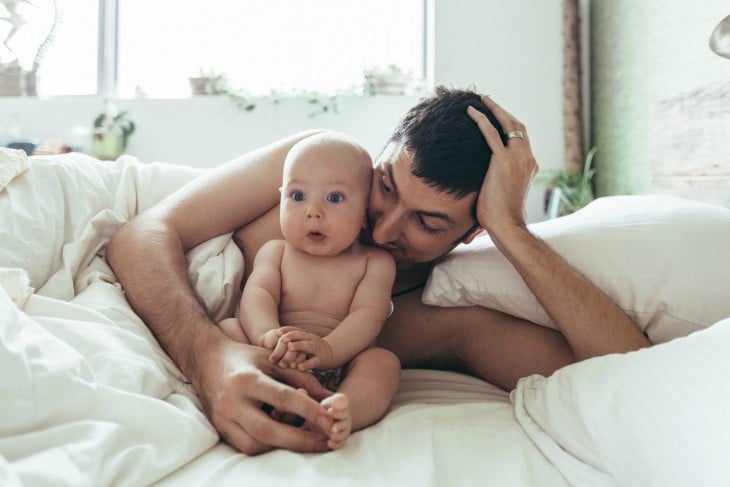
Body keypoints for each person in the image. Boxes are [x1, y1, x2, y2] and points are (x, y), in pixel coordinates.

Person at [106, 86, 651, 455]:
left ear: (472, 231)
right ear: (380, 154)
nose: (385, 229)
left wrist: (510, 227)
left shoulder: (439, 312)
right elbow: (143, 236)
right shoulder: (315, 167)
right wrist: (210, 358)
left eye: (427, 223)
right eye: (387, 185)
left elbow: (632, 377)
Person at [218, 131, 399, 450]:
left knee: (383, 362)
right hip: (272, 358)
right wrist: (268, 335)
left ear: (364, 215)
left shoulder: (375, 262)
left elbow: (367, 316)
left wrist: (328, 349)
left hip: (339, 368)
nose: (313, 211)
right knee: (228, 329)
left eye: (334, 198)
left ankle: (340, 413)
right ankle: (262, 399)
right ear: (281, 197)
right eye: (298, 196)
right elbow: (258, 296)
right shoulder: (275, 252)